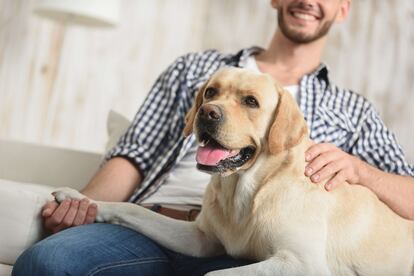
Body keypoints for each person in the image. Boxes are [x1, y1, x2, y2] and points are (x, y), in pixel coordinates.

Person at [12, 0, 414, 275]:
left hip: (254, 255)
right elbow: (134, 153)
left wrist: (362, 172)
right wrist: (89, 206)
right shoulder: (195, 68)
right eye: (212, 98)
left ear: (343, 9)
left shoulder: (352, 111)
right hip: (164, 226)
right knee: (46, 262)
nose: (215, 109)